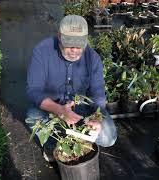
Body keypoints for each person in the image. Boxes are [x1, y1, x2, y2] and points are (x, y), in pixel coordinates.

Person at [26, 15, 117, 162]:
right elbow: (33, 90)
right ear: (59, 36)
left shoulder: (93, 59)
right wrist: (60, 110)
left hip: (82, 108)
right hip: (52, 108)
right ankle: (52, 145)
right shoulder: (42, 52)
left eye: (79, 45)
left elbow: (97, 94)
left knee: (109, 138)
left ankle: (76, 138)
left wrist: (96, 119)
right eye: (69, 44)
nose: (74, 50)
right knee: (33, 117)